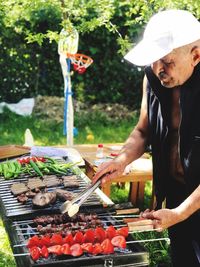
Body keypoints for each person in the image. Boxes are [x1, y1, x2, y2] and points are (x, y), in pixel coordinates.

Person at [92, 9, 200, 267]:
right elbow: (143, 130)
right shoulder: (153, 76)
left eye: (166, 61)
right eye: (152, 60)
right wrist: (121, 160)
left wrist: (180, 212)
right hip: (176, 194)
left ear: (196, 54)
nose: (157, 69)